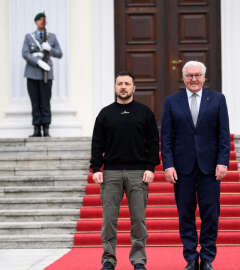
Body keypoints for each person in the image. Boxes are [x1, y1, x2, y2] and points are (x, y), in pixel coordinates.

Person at [161, 61, 230, 270]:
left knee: (211, 214)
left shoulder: (217, 99)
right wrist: (168, 165)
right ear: (183, 78)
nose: (193, 79)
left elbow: (223, 134)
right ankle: (191, 257)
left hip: (210, 168)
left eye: (197, 75)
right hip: (182, 169)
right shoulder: (172, 102)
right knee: (186, 214)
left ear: (204, 77)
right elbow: (166, 136)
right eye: (190, 76)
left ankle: (207, 257)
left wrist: (222, 161)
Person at [90, 71, 160, 270]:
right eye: (119, 83)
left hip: (138, 173)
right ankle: (108, 260)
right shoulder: (105, 114)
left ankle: (138, 260)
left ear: (133, 88)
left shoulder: (144, 112)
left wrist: (150, 167)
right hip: (110, 173)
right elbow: (97, 143)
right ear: (115, 87)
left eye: (127, 83)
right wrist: (96, 168)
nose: (123, 87)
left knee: (138, 220)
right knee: (109, 221)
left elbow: (154, 143)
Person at [22, 12, 62, 137]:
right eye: (39, 20)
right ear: (36, 22)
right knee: (35, 101)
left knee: (45, 101)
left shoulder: (51, 37)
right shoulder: (29, 37)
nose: (41, 22)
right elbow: (25, 53)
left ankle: (46, 128)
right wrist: (37, 61)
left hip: (46, 74)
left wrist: (50, 49)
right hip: (32, 72)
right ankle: (36, 129)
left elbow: (59, 53)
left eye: (43, 20)